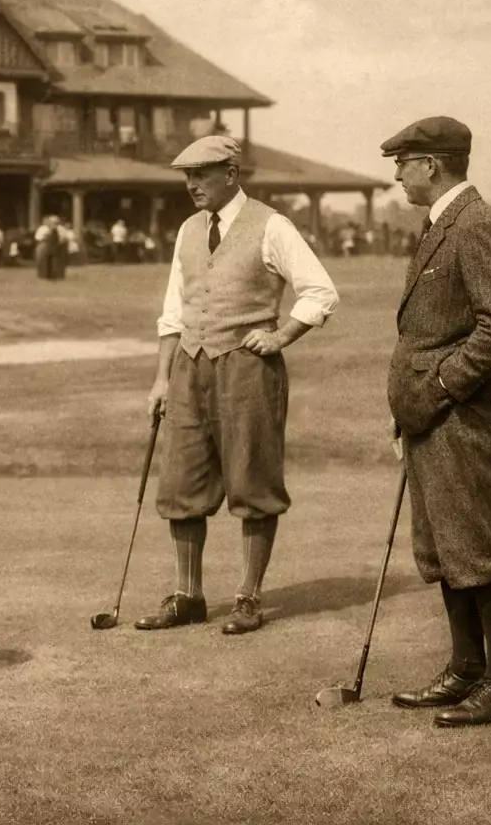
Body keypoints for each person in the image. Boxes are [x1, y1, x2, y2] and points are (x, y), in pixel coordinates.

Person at [139, 135, 339, 636]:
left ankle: (248, 598)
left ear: (231, 173)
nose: (192, 185)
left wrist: (282, 335)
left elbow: (320, 290)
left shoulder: (272, 225)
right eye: (187, 176)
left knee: (253, 482)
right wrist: (162, 379)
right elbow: (172, 311)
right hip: (188, 365)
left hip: (247, 369)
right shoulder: (187, 230)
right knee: (181, 483)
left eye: (202, 174)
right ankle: (188, 597)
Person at [380, 117, 491, 728]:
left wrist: (439, 385)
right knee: (446, 548)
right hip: (432, 419)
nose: (397, 173)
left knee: (480, 548)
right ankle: (467, 667)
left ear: (434, 164)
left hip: (466, 416)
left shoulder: (477, 224)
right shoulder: (441, 223)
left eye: (404, 161)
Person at [34, 215, 67, 280]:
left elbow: (64, 237)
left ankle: (58, 275)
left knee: (57, 262)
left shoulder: (61, 228)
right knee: (44, 261)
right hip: (45, 246)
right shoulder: (43, 228)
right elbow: (38, 237)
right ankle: (44, 275)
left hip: (58, 247)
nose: (54, 223)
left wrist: (60, 242)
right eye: (52, 222)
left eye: (55, 222)